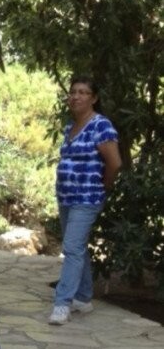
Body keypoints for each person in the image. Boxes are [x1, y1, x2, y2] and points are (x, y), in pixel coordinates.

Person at [48, 76, 121, 326]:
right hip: (66, 197)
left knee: (71, 247)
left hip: (86, 198)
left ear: (94, 98)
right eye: (73, 92)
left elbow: (115, 163)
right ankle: (83, 297)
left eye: (83, 92)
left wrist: (104, 185)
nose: (76, 96)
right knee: (77, 246)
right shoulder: (71, 126)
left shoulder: (101, 125)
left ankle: (62, 304)